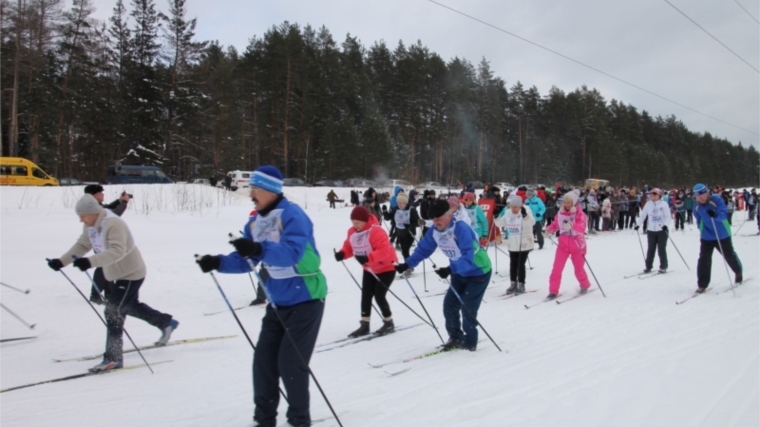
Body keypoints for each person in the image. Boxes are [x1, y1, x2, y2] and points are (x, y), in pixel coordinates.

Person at [195, 165, 327, 427]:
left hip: (307, 299)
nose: (251, 193)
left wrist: (257, 247)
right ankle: (264, 421)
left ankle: (300, 422)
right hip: (277, 302)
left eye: (255, 188)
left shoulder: (293, 215)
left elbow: (292, 253)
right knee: (263, 363)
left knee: (290, 364)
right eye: (251, 188)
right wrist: (217, 262)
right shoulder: (254, 221)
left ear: (270, 190)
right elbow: (247, 260)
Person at [47, 194, 178, 372]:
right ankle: (166, 323)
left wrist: (90, 262)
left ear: (93, 212)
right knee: (128, 305)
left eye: (83, 216)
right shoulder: (91, 225)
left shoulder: (113, 224)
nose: (81, 220)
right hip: (116, 273)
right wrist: (61, 262)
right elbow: (81, 245)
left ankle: (113, 357)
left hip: (131, 272)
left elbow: (117, 251)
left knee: (113, 310)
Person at [395, 199, 492, 351]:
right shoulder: (435, 231)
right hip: (459, 272)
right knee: (450, 305)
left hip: (478, 271)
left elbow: (468, 255)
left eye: (438, 218)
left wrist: (449, 269)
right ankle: (455, 337)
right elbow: (423, 250)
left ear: (448, 215)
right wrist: (407, 264)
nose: (436, 222)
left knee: (468, 308)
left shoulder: (461, 228)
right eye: (433, 219)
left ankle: (470, 342)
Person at [336, 206, 398, 337]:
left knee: (379, 295)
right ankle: (365, 325)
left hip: (386, 268)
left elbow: (384, 251)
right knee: (366, 295)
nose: (355, 225)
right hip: (369, 268)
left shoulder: (376, 231)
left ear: (365, 220)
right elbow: (349, 246)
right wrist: (342, 254)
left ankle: (388, 322)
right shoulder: (352, 232)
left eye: (357, 222)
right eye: (353, 222)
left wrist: (368, 258)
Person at [82, 185, 132, 304]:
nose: (103, 195)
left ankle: (110, 293)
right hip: (101, 240)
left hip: (100, 240)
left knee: (107, 265)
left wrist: (119, 201)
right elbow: (114, 214)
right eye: (101, 193)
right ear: (94, 195)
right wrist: (124, 203)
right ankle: (96, 294)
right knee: (104, 265)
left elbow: (108, 208)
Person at [692, 183, 743, 293]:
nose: (701, 198)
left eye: (702, 195)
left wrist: (715, 215)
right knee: (704, 259)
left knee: (729, 255)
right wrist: (700, 228)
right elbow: (698, 218)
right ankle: (702, 284)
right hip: (706, 236)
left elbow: (724, 214)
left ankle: (738, 271)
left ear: (707, 193)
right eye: (698, 196)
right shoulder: (696, 205)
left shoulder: (716, 200)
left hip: (722, 234)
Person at [545, 190, 591, 299]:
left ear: (574, 203)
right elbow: (555, 225)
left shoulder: (580, 214)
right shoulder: (560, 213)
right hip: (563, 245)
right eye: (565, 202)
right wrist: (548, 230)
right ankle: (553, 291)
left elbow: (582, 227)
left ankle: (584, 285)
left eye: (569, 202)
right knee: (556, 268)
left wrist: (573, 225)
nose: (566, 204)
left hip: (578, 245)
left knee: (578, 269)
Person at [494, 195, 535, 294]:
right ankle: (513, 283)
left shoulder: (526, 210)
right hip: (513, 242)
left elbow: (532, 223)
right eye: (512, 206)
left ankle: (521, 284)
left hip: (524, 241)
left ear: (520, 206)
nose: (513, 209)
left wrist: (525, 216)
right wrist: (496, 217)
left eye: (515, 207)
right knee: (513, 263)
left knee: (521, 264)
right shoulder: (508, 212)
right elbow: (500, 223)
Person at [635, 188, 671, 274]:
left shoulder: (664, 204)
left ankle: (663, 266)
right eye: (652, 195)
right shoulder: (648, 204)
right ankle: (648, 266)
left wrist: (665, 225)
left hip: (661, 230)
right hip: (651, 230)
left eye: (655, 195)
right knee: (651, 249)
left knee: (661, 249)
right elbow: (643, 215)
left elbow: (667, 216)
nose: (653, 197)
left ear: (659, 195)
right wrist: (638, 224)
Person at [383, 193, 419, 277]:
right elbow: (388, 218)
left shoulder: (411, 210)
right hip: (400, 233)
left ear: (405, 203)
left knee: (405, 251)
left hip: (409, 234)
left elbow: (417, 222)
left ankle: (408, 268)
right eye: (398, 202)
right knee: (403, 251)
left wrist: (410, 225)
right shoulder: (396, 209)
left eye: (401, 203)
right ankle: (409, 265)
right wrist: (384, 211)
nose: (400, 204)